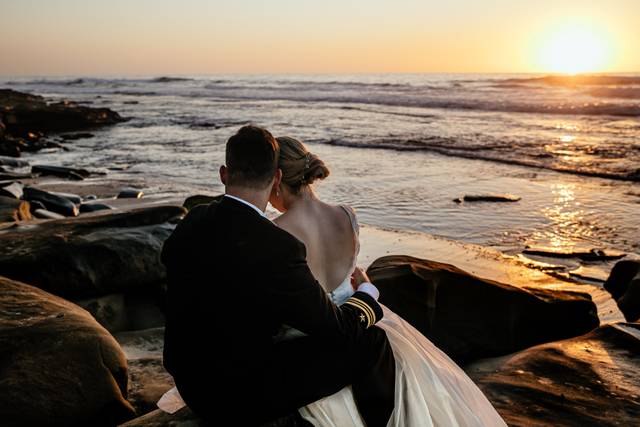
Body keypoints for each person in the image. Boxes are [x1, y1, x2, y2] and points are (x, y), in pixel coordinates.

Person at [160, 126, 396, 426]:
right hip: (239, 397)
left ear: (223, 173)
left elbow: (171, 264)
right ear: (277, 178)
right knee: (370, 339)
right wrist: (368, 294)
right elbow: (337, 329)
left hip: (191, 383)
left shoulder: (194, 220)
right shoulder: (276, 247)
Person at [269, 136, 508, 427]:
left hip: (316, 347)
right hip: (366, 323)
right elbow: (351, 273)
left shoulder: (274, 231)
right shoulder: (346, 215)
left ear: (276, 180)